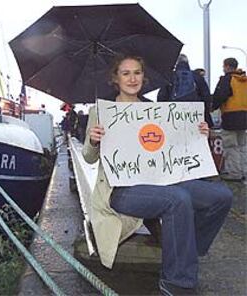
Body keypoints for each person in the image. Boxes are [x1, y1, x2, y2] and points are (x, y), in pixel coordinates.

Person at [83, 54, 233, 295]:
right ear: (116, 78)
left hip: (160, 180)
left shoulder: (156, 111)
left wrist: (198, 133)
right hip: (121, 191)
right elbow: (89, 157)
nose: (132, 78)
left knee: (221, 196)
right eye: (126, 73)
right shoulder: (100, 112)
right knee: (177, 199)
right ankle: (176, 281)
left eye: (137, 72)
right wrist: (93, 139)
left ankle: (186, 250)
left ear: (144, 76)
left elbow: (174, 146)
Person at [212, 57, 247, 182]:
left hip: (230, 117)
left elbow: (219, 96)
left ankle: (234, 173)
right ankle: (243, 171)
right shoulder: (243, 80)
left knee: (231, 146)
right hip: (244, 117)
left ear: (226, 66)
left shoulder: (227, 79)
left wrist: (211, 107)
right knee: (242, 145)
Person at [157, 54, 213, 128]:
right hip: (195, 116)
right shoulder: (197, 77)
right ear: (187, 62)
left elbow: (161, 97)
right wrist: (205, 114)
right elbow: (206, 97)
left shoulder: (170, 77)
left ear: (176, 64)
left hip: (174, 116)